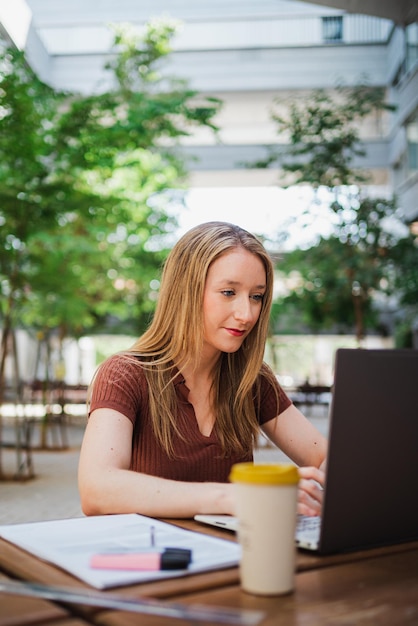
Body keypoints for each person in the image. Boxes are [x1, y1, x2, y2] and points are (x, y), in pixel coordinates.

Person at [78, 221, 327, 519]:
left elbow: (324, 459)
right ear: (186, 292)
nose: (246, 314)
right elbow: (97, 490)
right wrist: (234, 496)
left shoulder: (251, 378)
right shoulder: (124, 375)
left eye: (256, 296)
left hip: (231, 558)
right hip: (156, 559)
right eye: (228, 292)